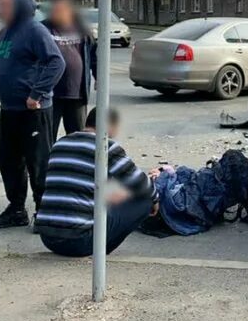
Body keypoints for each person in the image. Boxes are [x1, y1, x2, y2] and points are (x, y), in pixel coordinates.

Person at [0, 0, 64, 229]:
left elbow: (56, 62)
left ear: (19, 7)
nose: (0, 10)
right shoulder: (5, 32)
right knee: (8, 160)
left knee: (38, 162)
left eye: (5, 6)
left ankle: (44, 211)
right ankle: (16, 209)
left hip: (33, 111)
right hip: (9, 110)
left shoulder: (34, 30)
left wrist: (37, 93)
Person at [35, 108, 157, 257]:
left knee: (109, 192)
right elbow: (139, 183)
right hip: (78, 241)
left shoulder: (61, 143)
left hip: (48, 238)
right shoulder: (105, 146)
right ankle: (100, 251)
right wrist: (155, 198)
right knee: (144, 202)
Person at [43, 0, 96, 139]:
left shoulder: (82, 29)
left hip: (76, 93)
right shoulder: (43, 29)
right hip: (50, 94)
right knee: (47, 137)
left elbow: (93, 55)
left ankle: (74, 162)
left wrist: (98, 76)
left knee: (78, 137)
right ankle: (49, 162)